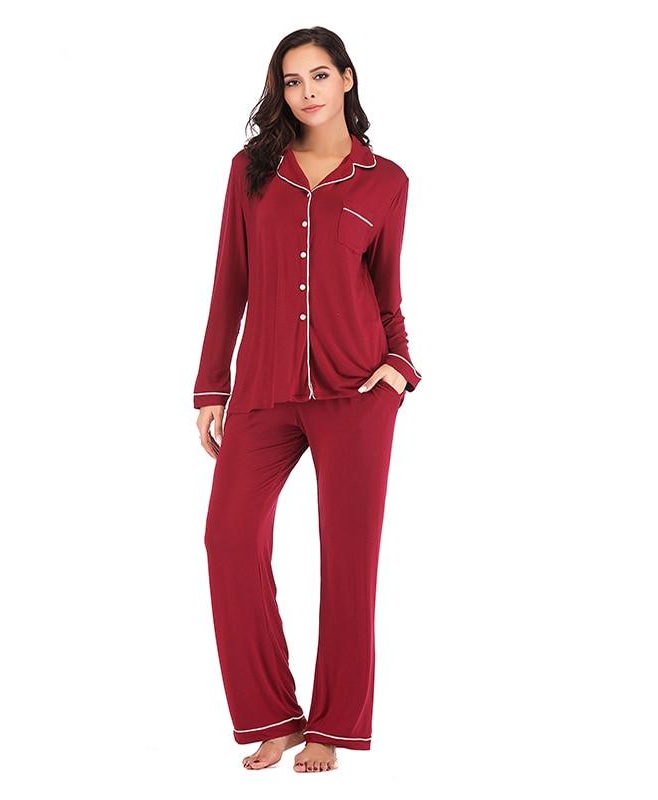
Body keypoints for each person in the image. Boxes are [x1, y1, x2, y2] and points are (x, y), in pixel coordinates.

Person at [193, 27, 422, 773]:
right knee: (229, 539)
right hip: (263, 388)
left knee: (349, 562)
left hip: (358, 390)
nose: (307, 92)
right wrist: (211, 386)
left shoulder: (386, 181)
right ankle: (273, 715)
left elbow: (387, 291)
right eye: (292, 81)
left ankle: (333, 726)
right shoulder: (252, 172)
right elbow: (229, 282)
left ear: (347, 79)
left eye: (320, 76)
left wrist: (399, 368)